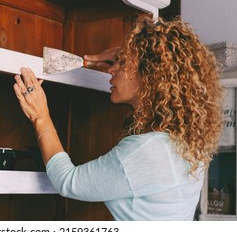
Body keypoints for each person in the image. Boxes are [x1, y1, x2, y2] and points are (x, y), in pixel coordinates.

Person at [13, 15, 224, 221]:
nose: (112, 70)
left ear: (150, 75)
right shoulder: (185, 141)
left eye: (122, 63)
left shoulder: (146, 152)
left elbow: (67, 182)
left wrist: (40, 116)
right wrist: (127, 57)